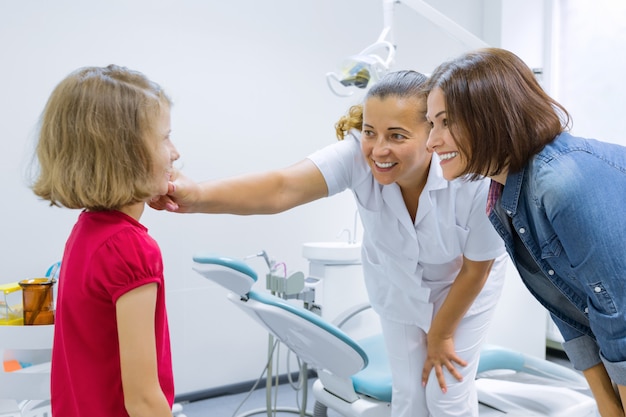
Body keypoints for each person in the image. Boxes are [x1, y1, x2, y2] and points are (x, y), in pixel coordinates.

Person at [150, 70, 507, 416]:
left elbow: (477, 269)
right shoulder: (357, 155)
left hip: (464, 288)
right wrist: (195, 196)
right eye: (370, 132)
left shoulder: (473, 178)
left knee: (445, 393)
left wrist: (440, 335)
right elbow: (281, 187)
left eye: (397, 136)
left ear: (432, 135)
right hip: (398, 287)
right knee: (410, 395)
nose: (379, 150)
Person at [424, 47, 626, 417]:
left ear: (490, 116)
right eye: (431, 124)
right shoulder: (502, 202)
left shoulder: (561, 182)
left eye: (445, 122)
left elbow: (619, 313)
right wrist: (607, 406)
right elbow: (565, 306)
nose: (431, 141)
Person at [31, 65, 180, 417]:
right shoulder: (132, 249)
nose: (175, 152)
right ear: (126, 155)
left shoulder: (87, 232)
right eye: (164, 138)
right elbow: (143, 400)